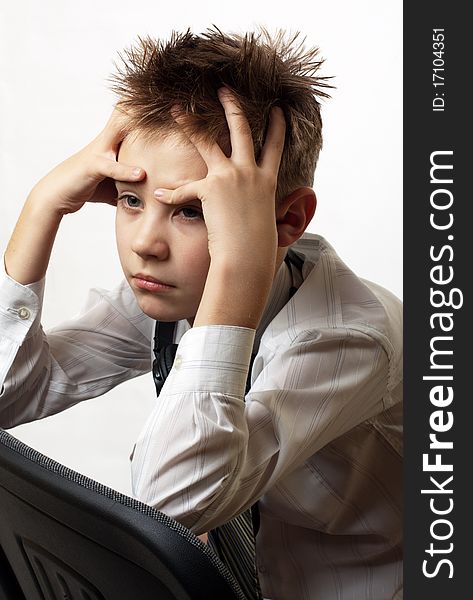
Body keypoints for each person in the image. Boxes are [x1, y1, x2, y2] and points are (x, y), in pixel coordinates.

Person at [0, 28, 403, 599]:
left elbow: (169, 506)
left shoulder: (347, 339)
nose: (145, 243)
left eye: (192, 211)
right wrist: (41, 205)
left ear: (288, 221)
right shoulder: (171, 285)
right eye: (130, 200)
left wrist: (239, 265)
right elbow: (8, 393)